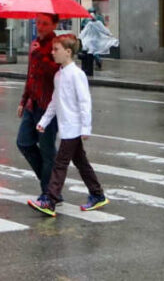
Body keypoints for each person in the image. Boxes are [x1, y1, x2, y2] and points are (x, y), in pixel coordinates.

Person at [28, 33, 108, 216]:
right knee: (81, 162)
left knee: (60, 164)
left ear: (68, 52)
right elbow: (55, 102)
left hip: (73, 127)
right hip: (66, 127)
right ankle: (97, 194)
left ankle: (50, 200)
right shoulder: (59, 75)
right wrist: (44, 121)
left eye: (56, 50)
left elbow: (85, 102)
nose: (53, 53)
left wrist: (86, 128)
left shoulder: (77, 75)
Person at [16, 13, 60, 202]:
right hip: (32, 104)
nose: (40, 27)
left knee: (47, 150)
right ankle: (51, 185)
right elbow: (31, 75)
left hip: (49, 106)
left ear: (54, 24)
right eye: (38, 23)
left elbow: (55, 72)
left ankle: (49, 192)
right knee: (23, 142)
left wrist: (39, 54)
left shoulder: (57, 45)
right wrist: (23, 100)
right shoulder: (35, 43)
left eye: (45, 23)